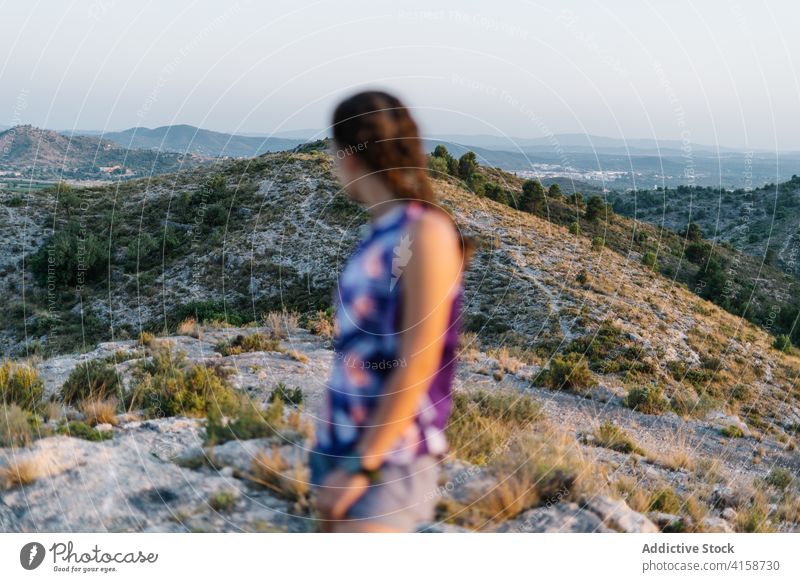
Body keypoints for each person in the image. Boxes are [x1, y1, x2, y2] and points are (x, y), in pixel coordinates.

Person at [310, 90, 469, 532]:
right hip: (343, 442)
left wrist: (363, 466)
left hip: (390, 457)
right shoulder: (380, 234)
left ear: (352, 154)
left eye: (333, 150)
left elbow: (418, 361)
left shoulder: (427, 231)